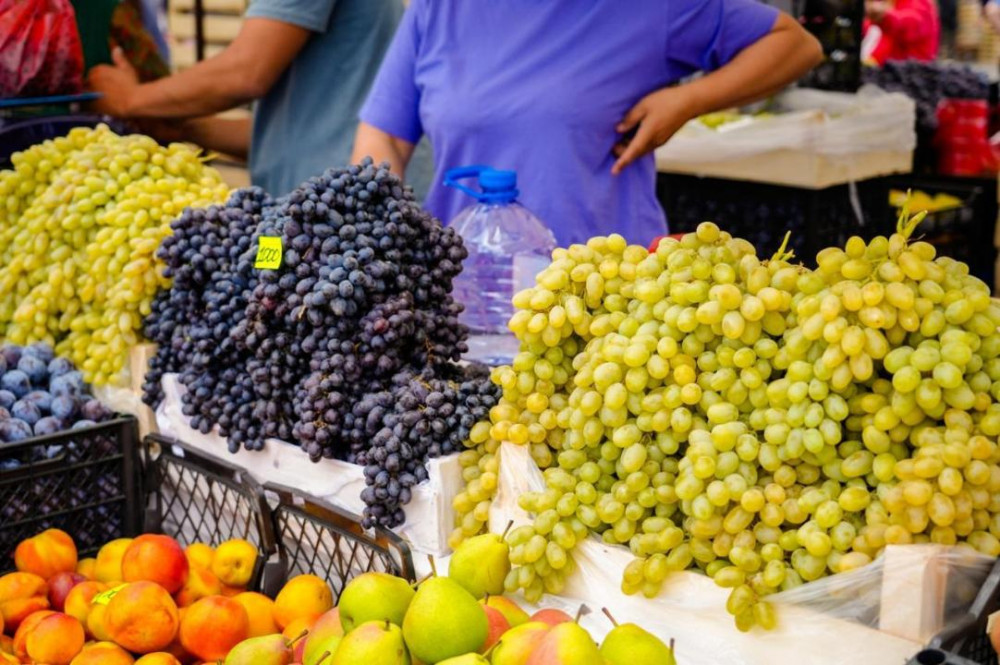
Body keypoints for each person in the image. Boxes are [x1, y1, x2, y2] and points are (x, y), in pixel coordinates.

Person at [350, 0, 822, 248]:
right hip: (465, 299)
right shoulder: (441, 7)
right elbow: (385, 136)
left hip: (604, 304)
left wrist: (688, 100)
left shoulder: (653, 7)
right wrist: (384, 236)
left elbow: (795, 45)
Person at [88, 0, 415, 197]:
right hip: (294, 218)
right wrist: (188, 129)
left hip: (344, 222)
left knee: (274, 295)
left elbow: (246, 73)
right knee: (264, 292)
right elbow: (288, 136)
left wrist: (129, 99)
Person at [864, 0, 941, 65]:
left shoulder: (919, 4)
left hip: (911, 75)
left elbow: (910, 24)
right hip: (887, 72)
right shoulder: (889, 3)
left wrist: (885, 17)